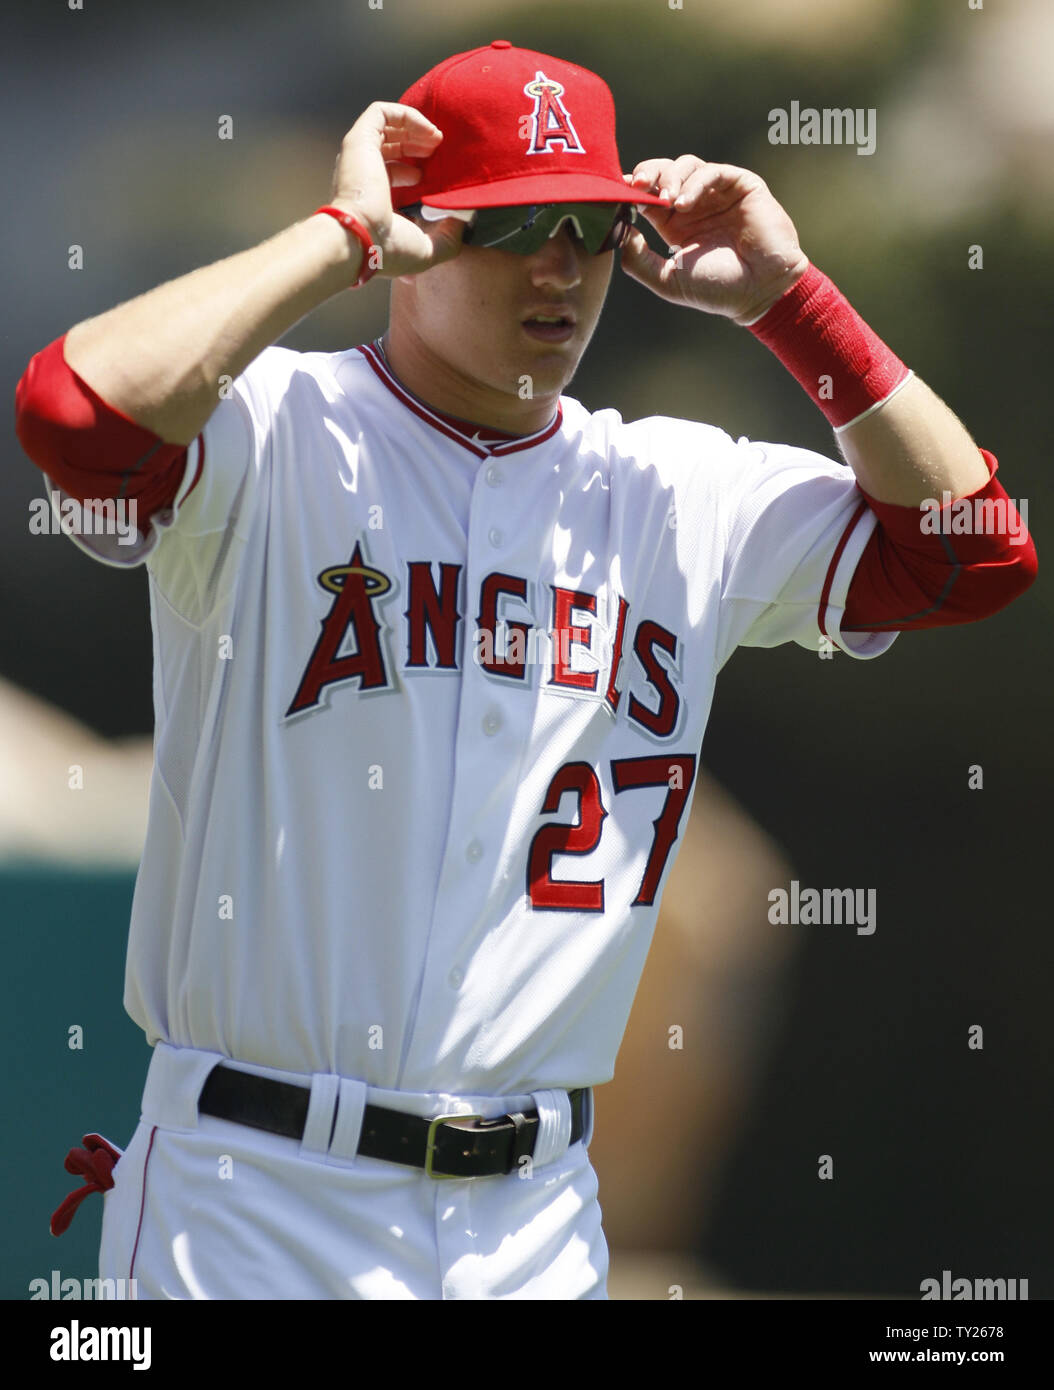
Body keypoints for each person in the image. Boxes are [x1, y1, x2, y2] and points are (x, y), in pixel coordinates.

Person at [16, 40, 1035, 1301]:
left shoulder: (676, 489)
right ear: (423, 229)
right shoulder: (272, 433)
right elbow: (74, 414)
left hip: (535, 1222)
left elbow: (970, 555)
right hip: (251, 1200)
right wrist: (334, 234)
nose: (560, 264)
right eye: (517, 224)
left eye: (592, 226)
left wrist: (792, 301)